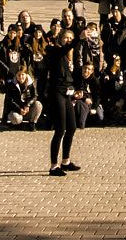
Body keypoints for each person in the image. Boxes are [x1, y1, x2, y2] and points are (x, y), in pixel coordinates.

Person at [42, 29, 84, 175]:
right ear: (60, 38)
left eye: (70, 38)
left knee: (72, 127)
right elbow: (65, 48)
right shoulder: (54, 50)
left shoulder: (69, 56)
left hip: (67, 93)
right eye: (66, 38)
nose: (68, 40)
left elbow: (72, 76)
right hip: (57, 93)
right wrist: (78, 38)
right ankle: (53, 166)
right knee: (60, 129)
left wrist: (76, 90)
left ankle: (65, 161)